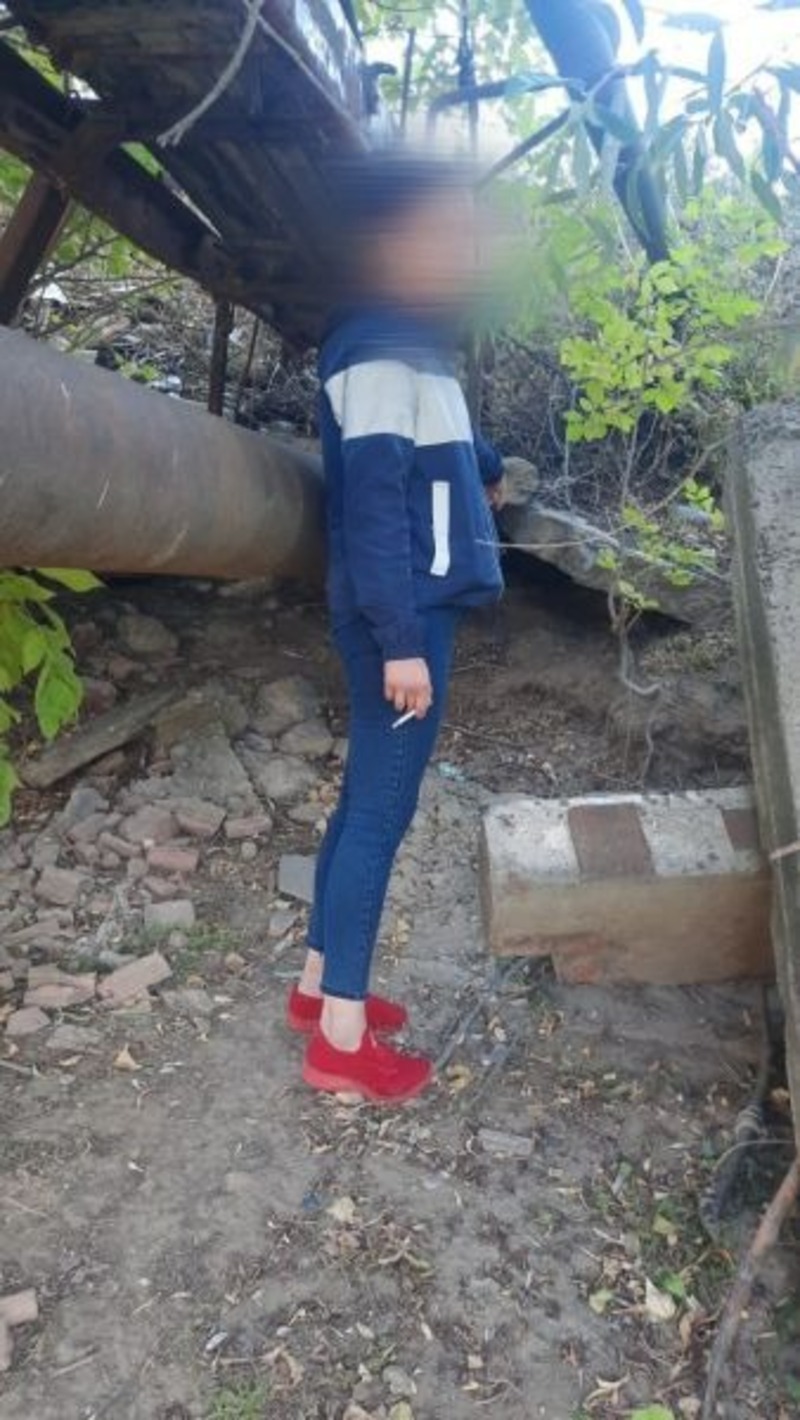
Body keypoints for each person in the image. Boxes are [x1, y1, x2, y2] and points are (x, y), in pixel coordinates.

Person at [286, 152, 506, 1103]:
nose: (462, 248)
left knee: (361, 803)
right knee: (381, 812)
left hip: (408, 604)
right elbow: (373, 504)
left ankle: (316, 987)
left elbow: (443, 450)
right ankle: (341, 1038)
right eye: (443, 232)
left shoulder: (404, 347)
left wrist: (486, 464)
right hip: (402, 613)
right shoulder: (377, 349)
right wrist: (403, 640)